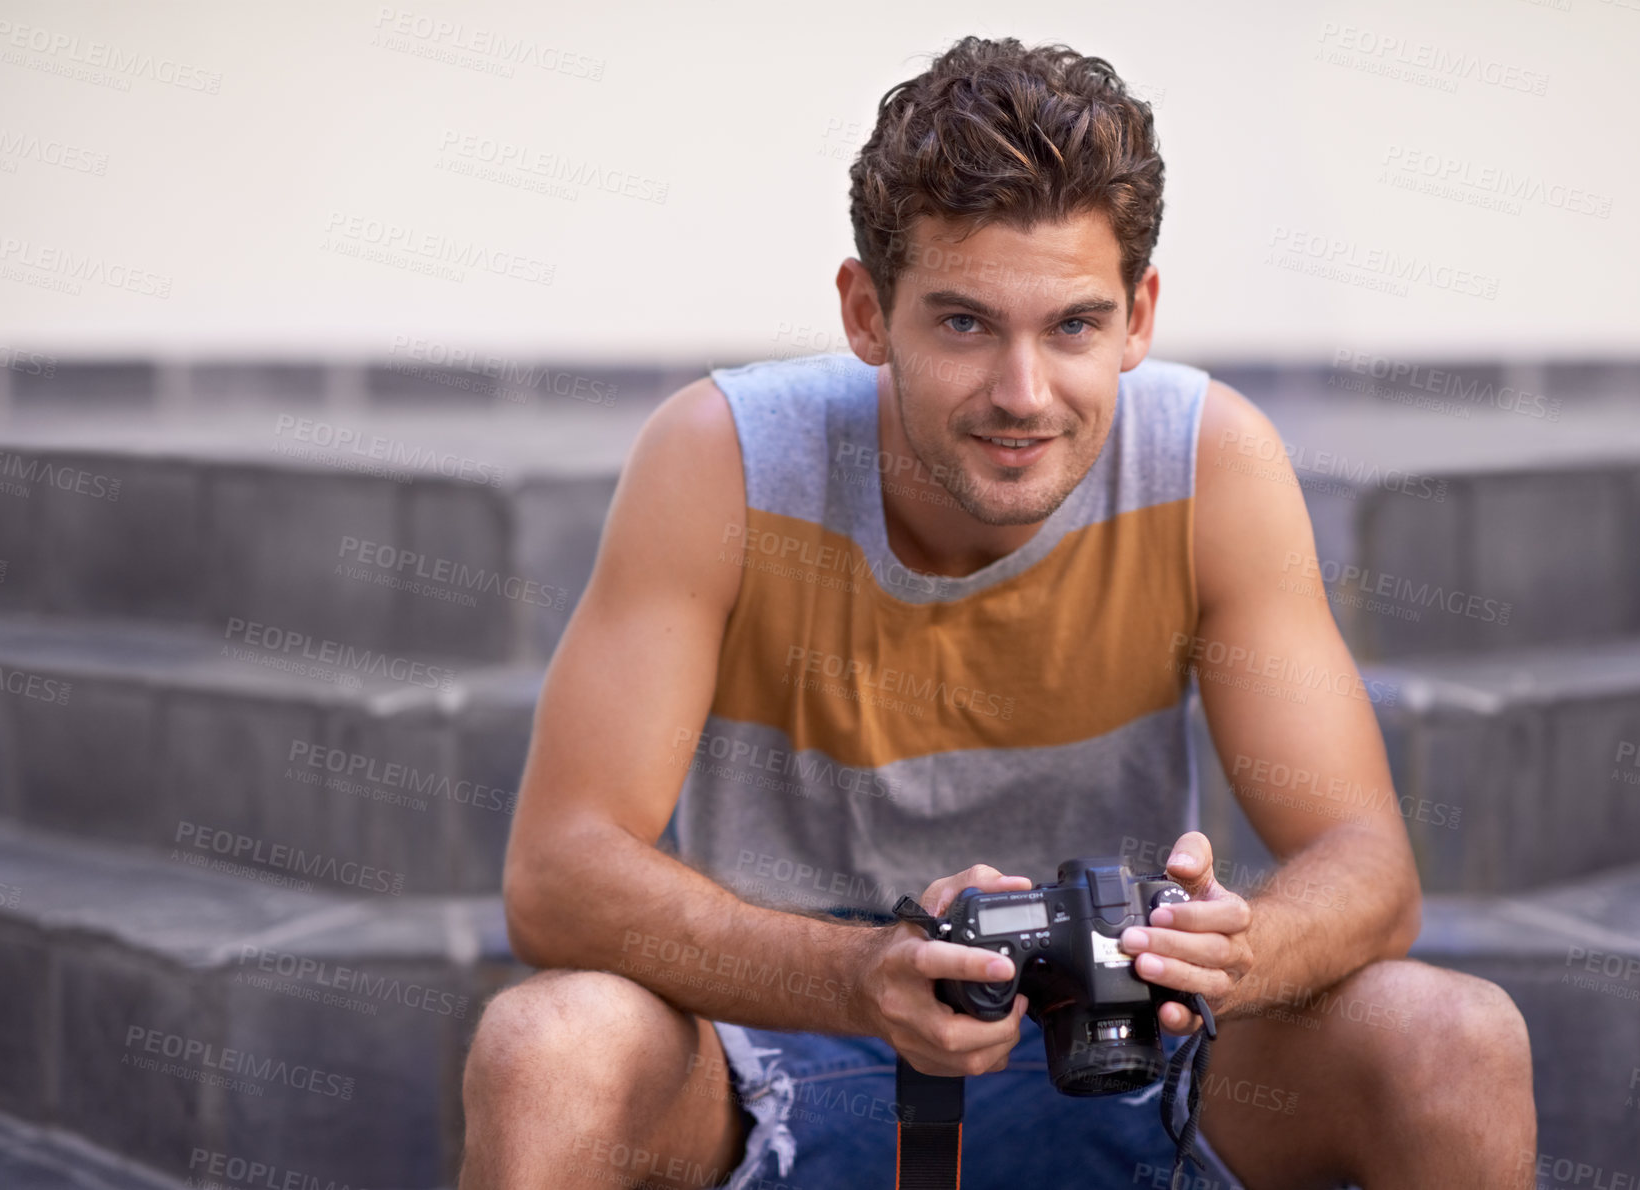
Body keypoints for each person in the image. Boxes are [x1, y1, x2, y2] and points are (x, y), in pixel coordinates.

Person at [458, 35, 1535, 1190]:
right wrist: (860, 972)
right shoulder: (719, 459)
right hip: (781, 1050)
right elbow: (557, 875)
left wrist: (1238, 949)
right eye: (963, 323)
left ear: (1137, 316)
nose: (1022, 395)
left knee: (1454, 1035)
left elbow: (1368, 865)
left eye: (1071, 325)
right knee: (545, 1047)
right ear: (867, 312)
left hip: (1126, 1039)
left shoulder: (1207, 462)